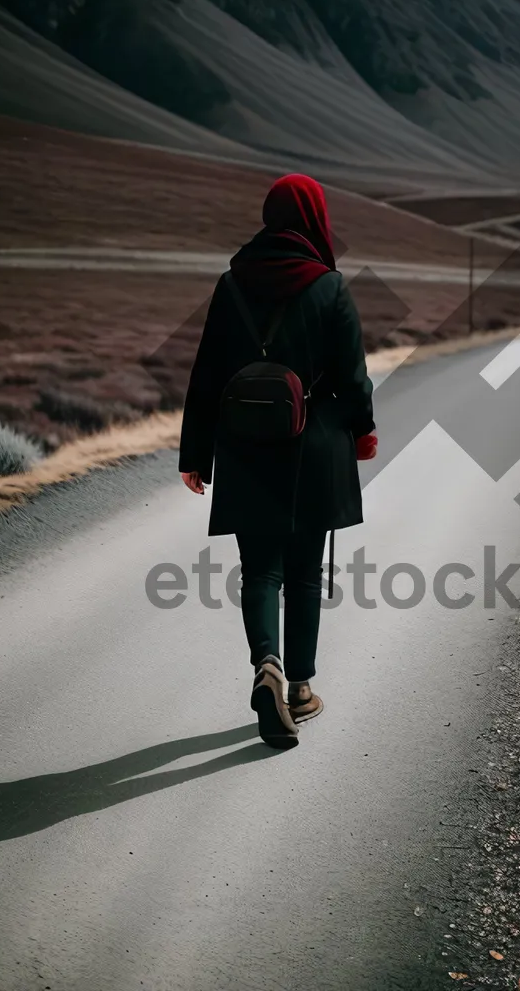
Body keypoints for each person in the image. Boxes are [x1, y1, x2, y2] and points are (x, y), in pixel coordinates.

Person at [179, 174, 377, 749]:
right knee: (304, 572)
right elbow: (353, 378)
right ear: (315, 217)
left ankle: (266, 663)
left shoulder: (232, 283)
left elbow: (206, 376)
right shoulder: (330, 287)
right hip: (313, 448)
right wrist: (363, 433)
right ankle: (300, 688)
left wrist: (196, 455)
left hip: (244, 447)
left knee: (260, 568)